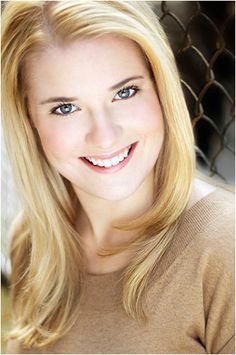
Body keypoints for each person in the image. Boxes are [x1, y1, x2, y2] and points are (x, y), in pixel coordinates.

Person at [1, 1, 234, 354]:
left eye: (125, 92)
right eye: (66, 108)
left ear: (160, 88)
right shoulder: (35, 241)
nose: (105, 136)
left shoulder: (223, 249)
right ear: (28, 116)